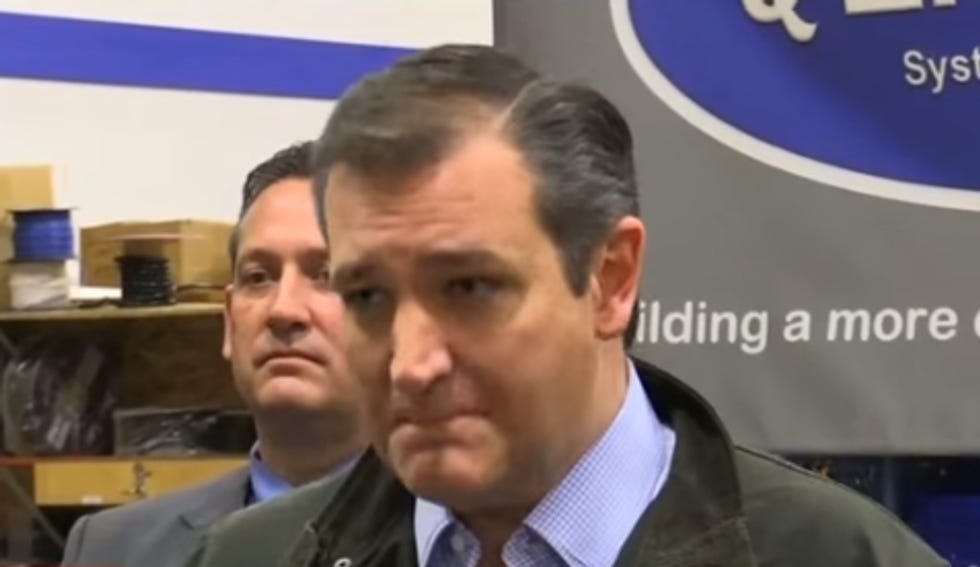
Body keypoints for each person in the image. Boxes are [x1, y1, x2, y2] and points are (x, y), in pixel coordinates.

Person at [189, 45, 949, 567]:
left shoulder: (841, 557)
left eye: (469, 287)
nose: (413, 363)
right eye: (366, 296)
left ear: (611, 280)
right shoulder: (250, 557)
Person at [61, 142, 366, 567]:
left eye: (325, 275)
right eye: (258, 277)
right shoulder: (112, 549)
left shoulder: (452, 540)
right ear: (228, 320)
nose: (283, 310)